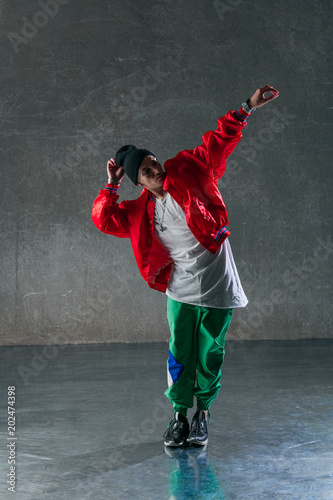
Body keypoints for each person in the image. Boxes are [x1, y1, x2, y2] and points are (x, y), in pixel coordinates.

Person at [92, 84, 279, 448]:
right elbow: (103, 219)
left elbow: (218, 142)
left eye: (154, 162)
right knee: (180, 353)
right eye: (146, 170)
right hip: (180, 289)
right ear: (139, 182)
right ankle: (179, 415)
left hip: (218, 285)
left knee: (211, 353)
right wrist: (111, 185)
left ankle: (202, 414)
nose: (155, 169)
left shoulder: (188, 168)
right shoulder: (139, 211)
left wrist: (246, 107)